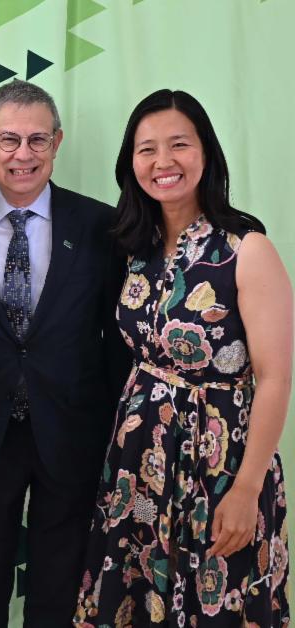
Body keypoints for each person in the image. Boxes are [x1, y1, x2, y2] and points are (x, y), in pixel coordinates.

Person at [73, 89, 291, 626]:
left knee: (218, 604)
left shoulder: (246, 249)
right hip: (139, 461)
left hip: (221, 463)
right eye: (147, 149)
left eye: (179, 145)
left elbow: (276, 378)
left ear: (206, 154)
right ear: (131, 163)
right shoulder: (135, 247)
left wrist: (246, 489)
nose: (163, 162)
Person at [0, 79, 128, 627]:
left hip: (70, 431)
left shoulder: (98, 225)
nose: (23, 155)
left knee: (58, 583)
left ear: (58, 143)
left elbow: (114, 338)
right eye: (9, 140)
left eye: (37, 141)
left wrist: (118, 428)